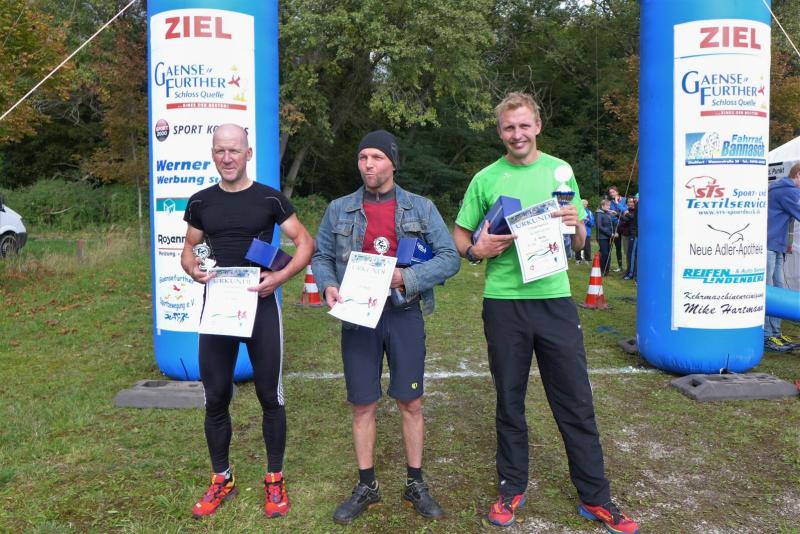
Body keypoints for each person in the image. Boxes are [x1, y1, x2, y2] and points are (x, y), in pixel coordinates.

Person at [452, 92, 638, 533]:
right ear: (500, 132)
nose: (517, 134)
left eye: (524, 125)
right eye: (508, 127)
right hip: (504, 303)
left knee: (575, 400)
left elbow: (578, 241)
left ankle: (595, 497)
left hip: (554, 301)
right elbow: (460, 236)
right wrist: (477, 250)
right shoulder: (486, 178)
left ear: (537, 126)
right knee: (509, 399)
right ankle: (511, 487)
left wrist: (578, 226)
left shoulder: (561, 171)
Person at [311, 130, 460, 524]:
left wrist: (405, 278)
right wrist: (327, 284)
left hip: (403, 313)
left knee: (411, 402)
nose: (368, 165)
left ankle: (415, 483)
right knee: (363, 404)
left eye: (377, 157)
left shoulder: (421, 208)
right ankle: (367, 486)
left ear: (393, 162)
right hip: (359, 317)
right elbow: (321, 255)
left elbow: (449, 258)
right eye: (363, 157)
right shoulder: (339, 209)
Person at [181, 124, 314, 519]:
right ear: (213, 153)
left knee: (270, 397)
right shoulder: (201, 202)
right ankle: (222, 478)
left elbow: (305, 243)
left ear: (248, 153)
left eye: (234, 150)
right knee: (216, 396)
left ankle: (274, 478)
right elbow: (189, 249)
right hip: (218, 309)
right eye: (220, 150)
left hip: (261, 307)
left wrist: (280, 277)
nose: (227, 158)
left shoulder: (270, 198)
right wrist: (192, 270)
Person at [764, 163, 800, 352]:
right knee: (770, 291)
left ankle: (775, 334)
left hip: (775, 246)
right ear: (799, 174)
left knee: (777, 290)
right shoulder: (789, 191)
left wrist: (787, 242)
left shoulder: (779, 188)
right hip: (770, 246)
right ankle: (767, 336)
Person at [607, 186, 627, 273]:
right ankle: (619, 266)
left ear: (617, 192)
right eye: (610, 193)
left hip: (625, 225)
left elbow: (625, 211)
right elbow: (610, 214)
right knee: (616, 246)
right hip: (616, 225)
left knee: (627, 247)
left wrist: (617, 203)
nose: (612, 194)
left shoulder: (624, 200)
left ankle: (629, 267)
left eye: (613, 192)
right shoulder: (610, 202)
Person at [620, 196, 637, 280]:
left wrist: (626, 213)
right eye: (628, 202)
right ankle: (629, 271)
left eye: (631, 202)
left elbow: (633, 219)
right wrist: (618, 215)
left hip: (633, 234)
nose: (630, 203)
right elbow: (625, 221)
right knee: (628, 254)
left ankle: (631, 273)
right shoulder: (628, 211)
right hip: (626, 234)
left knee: (632, 254)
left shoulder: (636, 210)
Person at [595, 199, 614, 276]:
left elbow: (610, 224)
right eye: (607, 205)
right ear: (602, 205)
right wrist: (610, 234)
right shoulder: (599, 214)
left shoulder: (607, 213)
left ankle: (607, 270)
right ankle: (601, 270)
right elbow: (599, 226)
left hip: (608, 237)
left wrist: (613, 232)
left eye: (609, 205)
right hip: (602, 237)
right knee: (604, 253)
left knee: (608, 254)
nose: (609, 207)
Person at [575, 198, 594, 264]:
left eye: (584, 204)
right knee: (578, 245)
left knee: (587, 246)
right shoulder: (577, 211)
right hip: (578, 231)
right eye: (581, 204)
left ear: (586, 205)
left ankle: (587, 259)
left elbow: (592, 223)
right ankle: (578, 259)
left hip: (587, 232)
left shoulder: (589, 212)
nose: (583, 205)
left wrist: (587, 220)